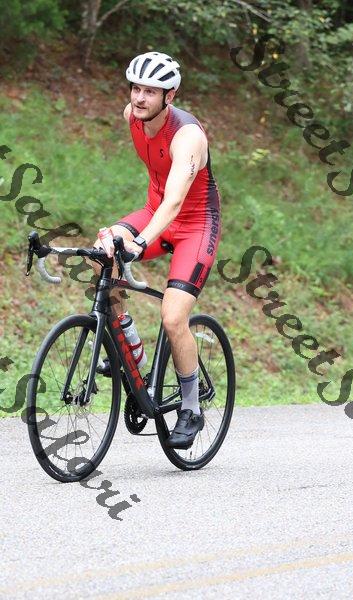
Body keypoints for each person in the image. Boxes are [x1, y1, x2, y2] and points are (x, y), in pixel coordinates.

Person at [93, 51, 222, 450]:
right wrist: (126, 240)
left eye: (150, 91)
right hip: (154, 212)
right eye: (136, 88)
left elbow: (176, 200)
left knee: (172, 317)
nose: (139, 97)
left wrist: (141, 242)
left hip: (194, 224)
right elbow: (158, 200)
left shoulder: (188, 137)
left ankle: (191, 408)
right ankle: (130, 350)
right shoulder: (132, 116)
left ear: (170, 96)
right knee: (102, 252)